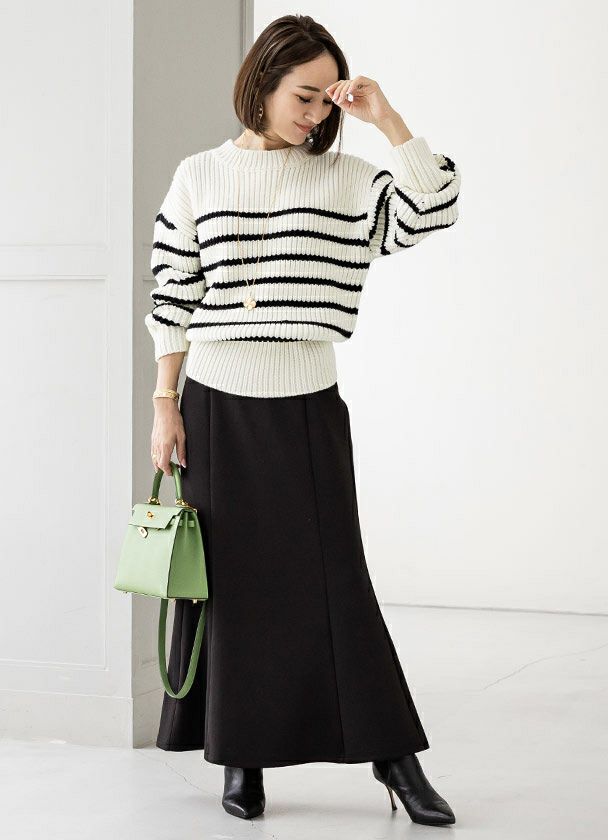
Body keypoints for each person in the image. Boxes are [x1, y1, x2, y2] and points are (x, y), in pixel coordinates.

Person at [146, 13, 460, 828]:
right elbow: (172, 294)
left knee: (337, 586)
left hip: (308, 407)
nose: (317, 114)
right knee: (230, 592)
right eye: (304, 96)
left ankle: (394, 758)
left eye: (328, 100)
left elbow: (432, 210)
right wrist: (164, 405)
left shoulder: (347, 180)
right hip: (216, 408)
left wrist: (386, 119)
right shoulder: (199, 175)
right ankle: (241, 758)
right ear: (262, 85)